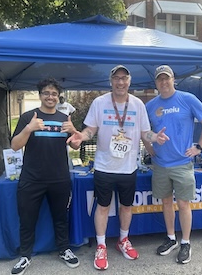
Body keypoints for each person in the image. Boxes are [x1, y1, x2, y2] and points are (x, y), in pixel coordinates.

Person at [66, 65, 169, 271]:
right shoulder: (99, 102)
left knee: (126, 207)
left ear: (129, 81)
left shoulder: (138, 104)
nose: (120, 82)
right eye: (116, 78)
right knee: (103, 207)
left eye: (124, 78)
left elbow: (144, 132)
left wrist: (155, 138)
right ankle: (101, 246)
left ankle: (123, 240)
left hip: (128, 167)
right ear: (111, 81)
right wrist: (81, 137)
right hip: (104, 166)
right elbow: (90, 130)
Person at [10, 77, 80, 275]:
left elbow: (76, 145)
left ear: (58, 97)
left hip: (59, 178)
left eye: (54, 94)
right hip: (32, 178)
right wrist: (29, 128)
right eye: (46, 93)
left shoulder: (63, 118)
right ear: (40, 95)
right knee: (27, 219)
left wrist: (74, 131)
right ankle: (25, 256)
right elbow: (15, 145)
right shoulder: (28, 117)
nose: (50, 97)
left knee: (61, 218)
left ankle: (64, 250)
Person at [145, 65, 202, 264]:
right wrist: (150, 143)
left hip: (183, 163)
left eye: (167, 78)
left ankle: (185, 242)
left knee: (183, 204)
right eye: (160, 79)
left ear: (173, 79)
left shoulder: (187, 98)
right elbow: (142, 131)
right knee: (166, 202)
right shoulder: (150, 106)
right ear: (156, 83)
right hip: (160, 164)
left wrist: (199, 147)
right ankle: (171, 238)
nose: (164, 82)